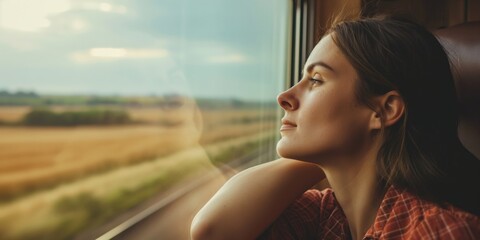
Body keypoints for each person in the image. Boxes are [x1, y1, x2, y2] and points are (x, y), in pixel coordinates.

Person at [190, 15, 480, 240]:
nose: (285, 97)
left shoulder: (437, 230)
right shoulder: (327, 216)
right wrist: (339, 157)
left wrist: (341, 154)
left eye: (315, 80)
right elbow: (213, 230)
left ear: (385, 110)